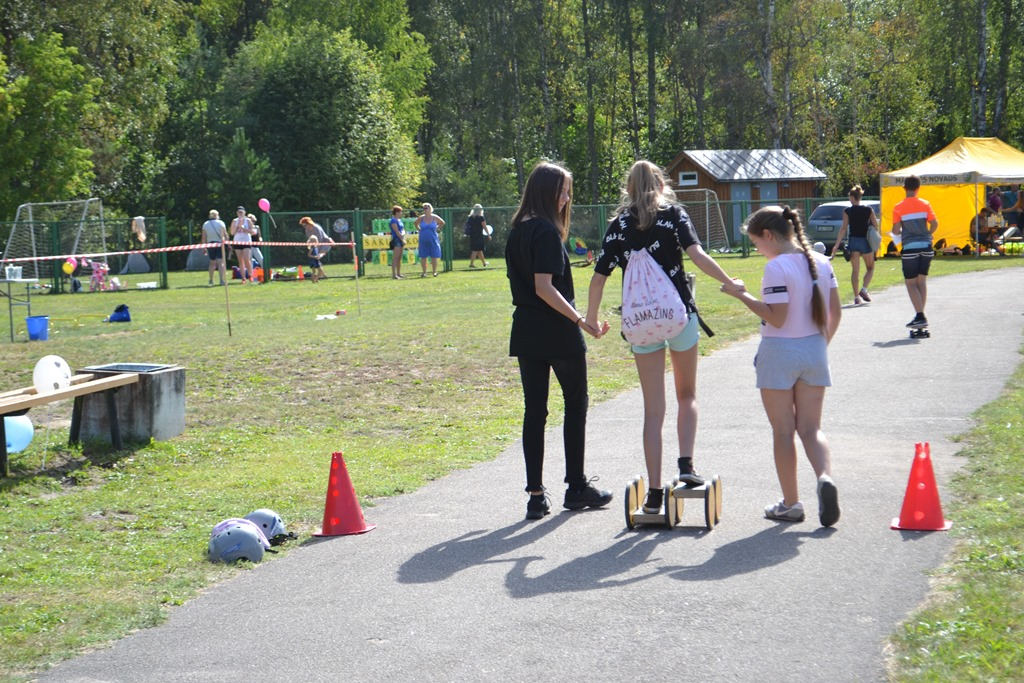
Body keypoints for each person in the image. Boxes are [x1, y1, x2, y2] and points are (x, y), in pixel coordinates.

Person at [584, 160, 744, 515]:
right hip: (677, 317)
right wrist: (729, 282)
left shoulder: (618, 226)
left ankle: (655, 491)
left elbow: (599, 278)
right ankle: (686, 467)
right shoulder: (673, 215)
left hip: (640, 322)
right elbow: (697, 254)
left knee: (653, 410)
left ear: (628, 189)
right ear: (660, 184)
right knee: (686, 395)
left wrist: (592, 320)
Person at [720, 205, 843, 527]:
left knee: (784, 432)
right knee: (811, 429)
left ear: (768, 235)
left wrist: (741, 294)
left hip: (779, 353)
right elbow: (835, 314)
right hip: (815, 348)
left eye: (757, 244)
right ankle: (825, 478)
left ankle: (791, 503)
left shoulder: (777, 268)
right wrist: (818, 346)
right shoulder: (822, 261)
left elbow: (776, 317)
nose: (759, 251)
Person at [506, 161, 614, 520]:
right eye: (564, 191)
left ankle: (536, 496)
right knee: (575, 404)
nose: (568, 198)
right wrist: (581, 320)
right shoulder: (546, 232)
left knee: (534, 411)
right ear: (548, 192)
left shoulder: (517, 230)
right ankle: (576, 486)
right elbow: (544, 287)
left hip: (526, 330)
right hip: (556, 331)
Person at [892, 175, 938, 328]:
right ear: (918, 188)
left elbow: (896, 230)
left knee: (911, 283)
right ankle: (920, 315)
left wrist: (897, 232)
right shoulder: (925, 204)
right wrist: (929, 234)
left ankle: (920, 315)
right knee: (921, 282)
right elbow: (935, 223)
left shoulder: (898, 207)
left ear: (904, 188)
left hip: (910, 247)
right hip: (926, 246)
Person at [829, 184, 879, 305]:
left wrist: (836, 245)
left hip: (853, 242)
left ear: (852, 197)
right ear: (860, 197)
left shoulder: (847, 211)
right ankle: (864, 289)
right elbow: (875, 226)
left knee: (855, 271)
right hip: (865, 241)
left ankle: (856, 297)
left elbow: (843, 228)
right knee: (870, 268)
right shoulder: (868, 210)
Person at [415, 202, 445, 277]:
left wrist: (437, 228)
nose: (425, 209)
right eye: (424, 208)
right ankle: (424, 272)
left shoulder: (434, 217)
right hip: (423, 238)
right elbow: (415, 223)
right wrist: (419, 230)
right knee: (423, 256)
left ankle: (434, 272)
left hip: (433, 238)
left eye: (426, 207)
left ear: (430, 208)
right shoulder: (421, 218)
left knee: (434, 255)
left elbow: (442, 222)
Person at [230, 206, 256, 284]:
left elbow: (253, 232)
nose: (240, 214)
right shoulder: (235, 221)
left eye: (241, 212)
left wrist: (245, 229)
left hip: (246, 241)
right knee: (240, 260)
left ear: (244, 213)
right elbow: (232, 233)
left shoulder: (248, 220)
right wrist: (237, 227)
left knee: (247, 259)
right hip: (237, 241)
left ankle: (250, 275)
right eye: (238, 212)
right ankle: (243, 278)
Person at [202, 209, 227, 286]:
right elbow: (225, 235)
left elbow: (204, 237)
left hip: (210, 244)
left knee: (212, 262)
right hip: (219, 244)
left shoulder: (205, 224)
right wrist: (228, 244)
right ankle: (222, 280)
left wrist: (204, 247)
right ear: (217, 215)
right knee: (220, 262)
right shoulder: (221, 223)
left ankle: (211, 280)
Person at [464, 204, 490, 268]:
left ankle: (484, 263)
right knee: (475, 250)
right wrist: (488, 235)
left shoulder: (470, 217)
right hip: (478, 235)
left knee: (479, 250)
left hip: (472, 235)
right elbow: (484, 227)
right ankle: (471, 264)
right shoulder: (481, 217)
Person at [389, 206, 406, 279]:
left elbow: (402, 229)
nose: (401, 213)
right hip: (396, 240)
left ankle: (399, 273)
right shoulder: (393, 221)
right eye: (400, 212)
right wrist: (402, 239)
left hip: (401, 238)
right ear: (396, 212)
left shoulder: (399, 220)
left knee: (399, 257)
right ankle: (394, 274)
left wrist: (403, 235)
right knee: (395, 257)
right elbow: (396, 231)